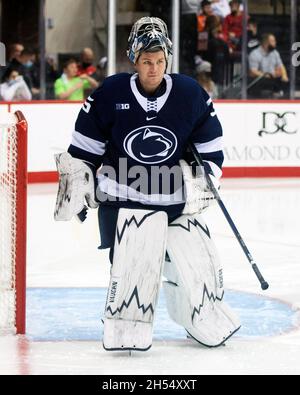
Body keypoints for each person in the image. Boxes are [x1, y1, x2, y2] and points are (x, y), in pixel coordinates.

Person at [54, 17, 240, 351]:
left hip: (173, 201)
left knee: (195, 263)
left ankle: (202, 312)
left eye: (159, 61)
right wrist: (78, 185)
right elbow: (83, 150)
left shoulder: (189, 94)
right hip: (121, 200)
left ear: (167, 59)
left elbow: (211, 149)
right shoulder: (109, 93)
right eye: (146, 62)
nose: (153, 69)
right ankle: (125, 318)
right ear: (134, 60)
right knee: (132, 266)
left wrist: (204, 181)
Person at [248, 33, 289, 98]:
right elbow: (253, 71)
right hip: (260, 80)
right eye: (273, 41)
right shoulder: (254, 54)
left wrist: (284, 75)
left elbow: (281, 66)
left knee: (286, 82)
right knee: (266, 82)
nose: (275, 43)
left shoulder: (275, 52)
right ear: (266, 43)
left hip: (273, 79)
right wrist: (266, 75)